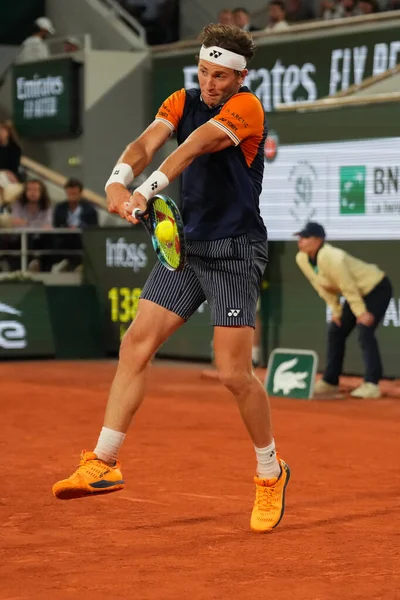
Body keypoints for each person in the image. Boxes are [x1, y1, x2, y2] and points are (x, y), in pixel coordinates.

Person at [52, 23, 290, 534]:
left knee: (232, 375)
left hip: (234, 252)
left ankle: (271, 472)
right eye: (204, 71)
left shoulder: (247, 109)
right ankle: (105, 460)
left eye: (220, 75)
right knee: (135, 344)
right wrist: (118, 181)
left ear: (240, 76)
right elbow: (146, 142)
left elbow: (193, 148)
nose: (209, 83)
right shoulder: (182, 98)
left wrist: (145, 190)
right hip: (187, 250)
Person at [295, 222, 392, 399]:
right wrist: (336, 311)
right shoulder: (301, 258)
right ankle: (330, 381)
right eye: (299, 237)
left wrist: (361, 313)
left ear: (318, 240)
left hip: (376, 287)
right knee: (336, 330)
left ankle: (372, 384)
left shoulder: (333, 257)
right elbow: (320, 286)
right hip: (357, 293)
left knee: (365, 330)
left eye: (305, 237)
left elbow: (348, 287)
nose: (300, 241)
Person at [52, 178, 98, 272]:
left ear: (80, 193)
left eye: (74, 194)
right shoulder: (60, 208)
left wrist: (78, 227)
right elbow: (56, 225)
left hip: (82, 239)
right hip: (64, 239)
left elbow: (94, 227)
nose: (71, 197)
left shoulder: (90, 209)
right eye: (69, 194)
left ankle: (78, 266)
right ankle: (63, 263)